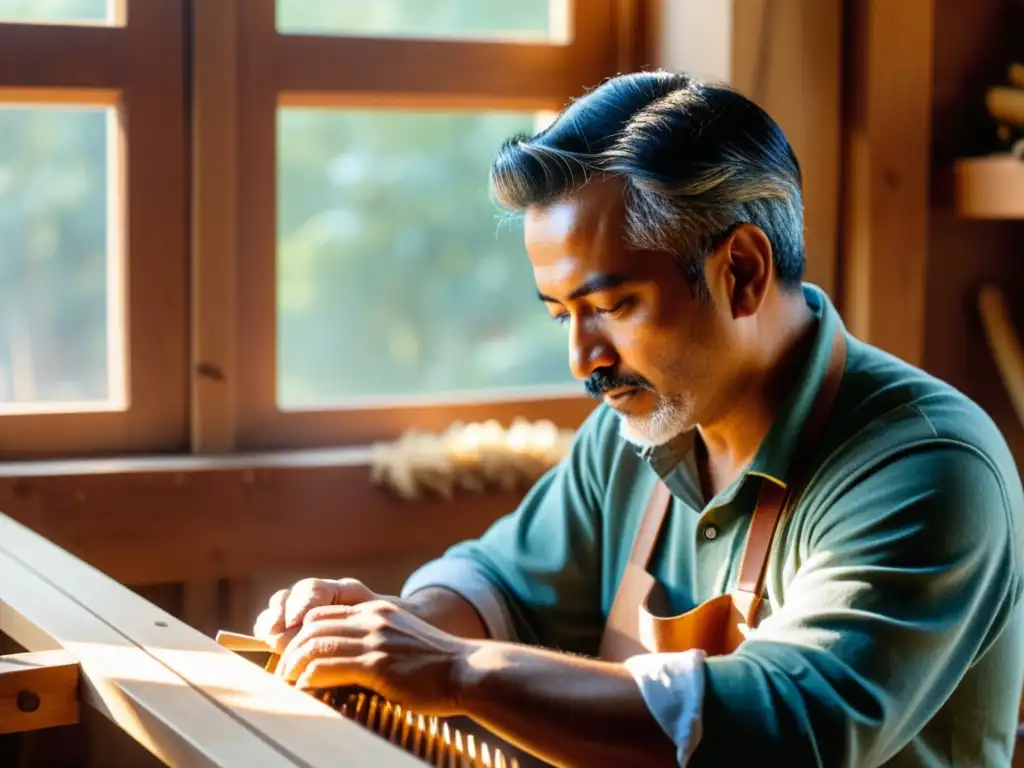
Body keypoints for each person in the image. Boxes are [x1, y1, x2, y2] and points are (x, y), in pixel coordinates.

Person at [252, 71, 1024, 767]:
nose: (584, 359)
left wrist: (455, 669)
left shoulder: (929, 467)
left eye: (614, 306)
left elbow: (790, 729)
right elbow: (502, 582)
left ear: (742, 272)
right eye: (563, 316)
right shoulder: (638, 431)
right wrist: (399, 626)